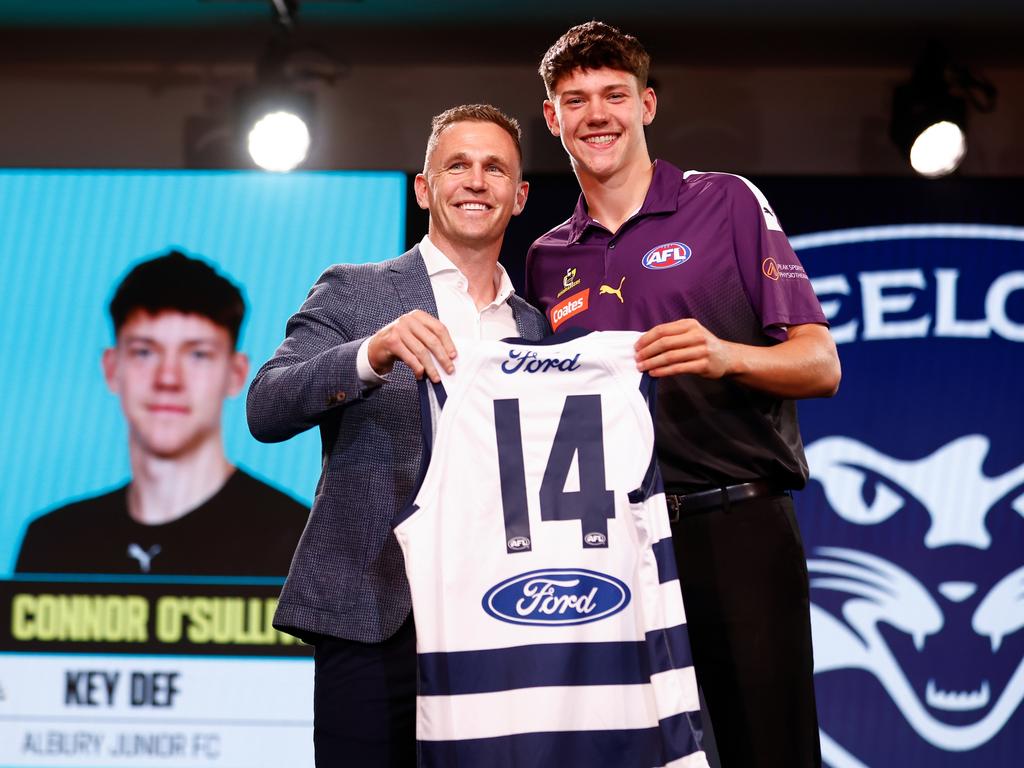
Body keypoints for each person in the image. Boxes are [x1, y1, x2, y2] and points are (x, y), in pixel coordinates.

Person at [526, 22, 841, 768]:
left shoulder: (725, 202)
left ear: (648, 105)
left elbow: (821, 363)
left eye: (614, 95)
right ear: (552, 119)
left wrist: (726, 354)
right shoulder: (547, 257)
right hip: (612, 545)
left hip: (734, 522)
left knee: (768, 748)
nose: (596, 114)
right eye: (576, 100)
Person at [247, 104, 547, 768]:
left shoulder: (537, 328)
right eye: (457, 165)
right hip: (374, 613)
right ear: (424, 187)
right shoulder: (355, 292)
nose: (476, 181)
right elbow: (266, 407)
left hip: (499, 620)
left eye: (494, 168)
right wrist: (369, 353)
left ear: (519, 195)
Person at [16, 251, 308, 576]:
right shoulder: (52, 544)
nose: (168, 378)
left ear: (236, 374)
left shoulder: (299, 540)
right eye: (144, 352)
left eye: (198, 354)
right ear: (112, 368)